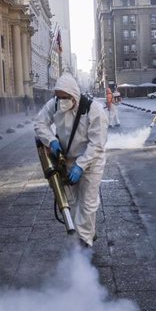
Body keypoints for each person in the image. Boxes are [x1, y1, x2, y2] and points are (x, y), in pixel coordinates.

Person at [34, 72, 108, 248]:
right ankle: (84, 233)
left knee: (88, 203)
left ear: (74, 95)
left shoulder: (94, 109)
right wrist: (50, 140)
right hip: (66, 161)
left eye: (65, 97)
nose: (62, 101)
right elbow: (39, 124)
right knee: (71, 202)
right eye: (59, 97)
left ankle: (85, 243)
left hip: (91, 162)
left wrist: (80, 166)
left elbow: (97, 144)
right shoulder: (54, 104)